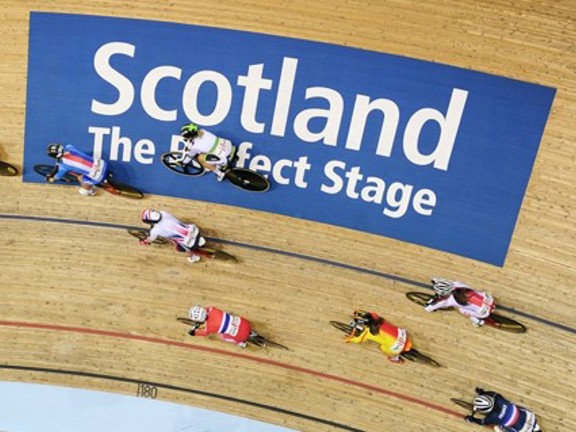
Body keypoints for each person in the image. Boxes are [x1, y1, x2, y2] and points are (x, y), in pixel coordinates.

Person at [139, 209, 207, 263]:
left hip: (189, 242)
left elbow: (151, 239)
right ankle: (199, 240)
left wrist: (144, 241)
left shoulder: (155, 231)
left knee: (178, 247)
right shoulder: (163, 213)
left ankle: (194, 256)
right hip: (194, 229)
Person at [344, 310, 412, 364]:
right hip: (403, 334)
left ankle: (396, 359)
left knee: (382, 348)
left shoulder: (368, 333)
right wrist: (358, 312)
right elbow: (371, 314)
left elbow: (358, 340)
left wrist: (349, 340)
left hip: (397, 347)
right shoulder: (378, 318)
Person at [424, 278, 495, 327]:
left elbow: (433, 307)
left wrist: (429, 307)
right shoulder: (457, 284)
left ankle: (477, 321)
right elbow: (440, 280)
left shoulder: (450, 301)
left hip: (483, 312)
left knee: (460, 309)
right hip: (489, 299)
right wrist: (435, 281)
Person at [465, 387, 542, 431]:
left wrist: (471, 419)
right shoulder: (498, 399)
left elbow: (482, 422)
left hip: (523, 429)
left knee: (496, 427)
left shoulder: (491, 418)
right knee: (513, 407)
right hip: (530, 416)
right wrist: (482, 392)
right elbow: (493, 394)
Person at [186, 305, 253, 348]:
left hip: (241, 336)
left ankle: (241, 343)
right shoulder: (212, 309)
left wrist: (194, 333)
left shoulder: (209, 327)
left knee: (223, 337)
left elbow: (204, 333)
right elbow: (207, 309)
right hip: (245, 323)